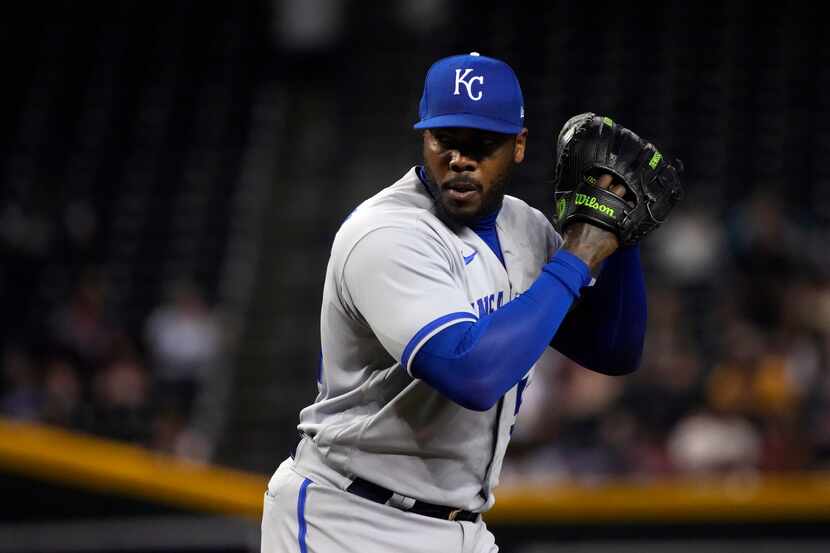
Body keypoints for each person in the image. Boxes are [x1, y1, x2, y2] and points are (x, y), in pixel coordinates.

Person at [261, 52, 648, 553]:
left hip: (461, 528)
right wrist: (577, 256)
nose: (460, 159)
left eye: (483, 144)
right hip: (351, 519)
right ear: (424, 139)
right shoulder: (387, 233)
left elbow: (613, 349)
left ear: (519, 147)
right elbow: (472, 374)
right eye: (445, 140)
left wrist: (621, 234)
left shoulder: (524, 228)